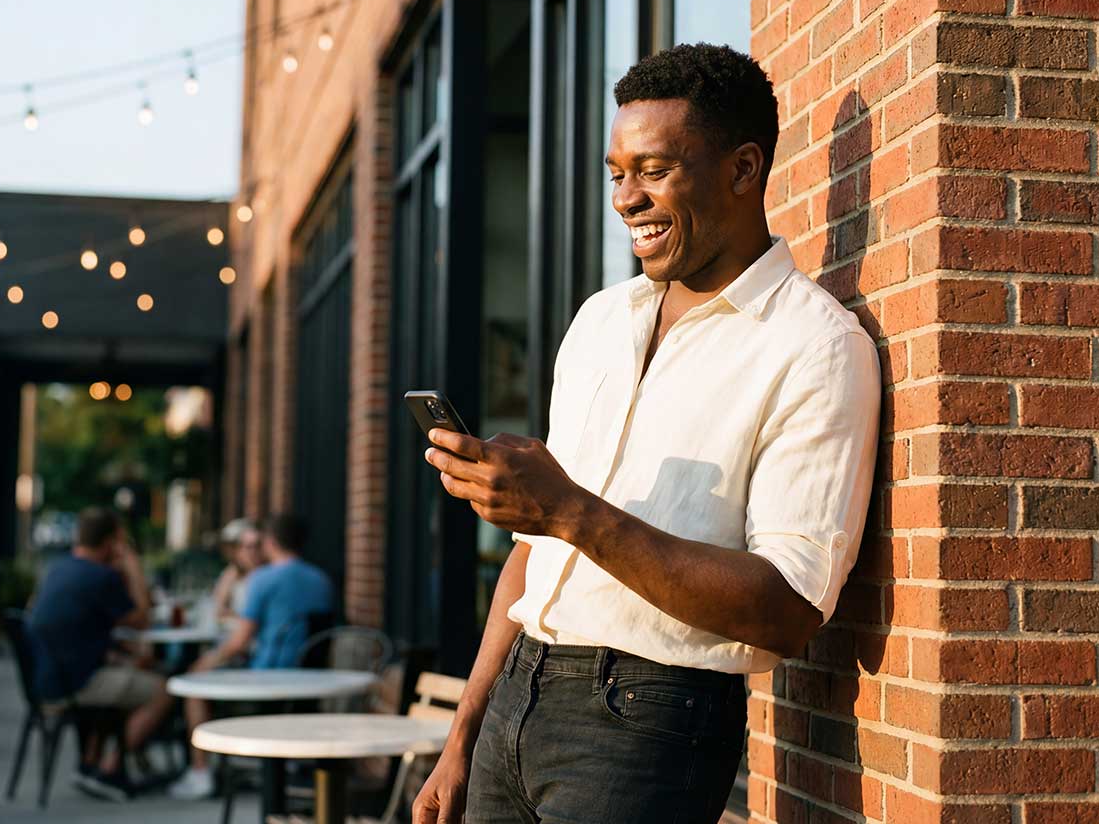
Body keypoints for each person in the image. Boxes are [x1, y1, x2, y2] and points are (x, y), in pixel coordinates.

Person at [413, 44, 881, 824]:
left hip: (648, 719)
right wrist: (462, 733)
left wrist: (566, 510)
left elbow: (788, 608)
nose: (625, 198)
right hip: (513, 699)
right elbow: (538, 554)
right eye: (615, 173)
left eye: (654, 170)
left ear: (741, 170)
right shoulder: (601, 321)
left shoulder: (816, 346)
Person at [169, 513, 334, 801]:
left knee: (195, 689)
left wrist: (203, 664)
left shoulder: (262, 579)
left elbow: (238, 642)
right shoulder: (321, 579)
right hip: (310, 677)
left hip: (267, 676)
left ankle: (200, 773)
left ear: (270, 542)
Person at [27, 507, 174, 802]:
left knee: (128, 679)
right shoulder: (101, 576)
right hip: (74, 685)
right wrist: (132, 565)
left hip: (47, 679)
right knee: (166, 689)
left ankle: (90, 762)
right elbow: (142, 618)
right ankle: (110, 768)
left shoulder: (57, 568)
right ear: (111, 542)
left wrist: (123, 657)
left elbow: (77, 630)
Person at [209, 518, 262, 620]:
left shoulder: (267, 575)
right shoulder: (233, 573)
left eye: (257, 546)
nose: (253, 552)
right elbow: (218, 608)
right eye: (249, 547)